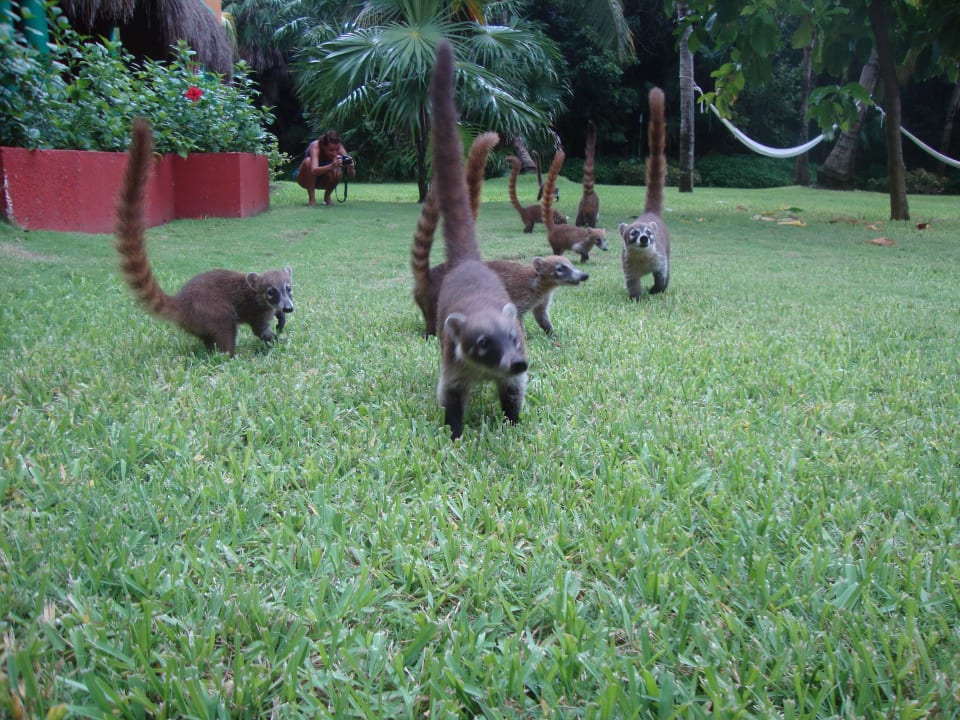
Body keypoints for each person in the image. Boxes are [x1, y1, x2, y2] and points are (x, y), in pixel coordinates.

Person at [296, 130, 357, 206]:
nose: (335, 153)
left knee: (338, 170)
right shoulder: (315, 146)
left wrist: (351, 167)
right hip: (305, 179)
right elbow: (314, 170)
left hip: (323, 180)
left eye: (337, 150)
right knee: (308, 161)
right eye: (331, 150)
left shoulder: (339, 147)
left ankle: (327, 197)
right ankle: (312, 199)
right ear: (323, 146)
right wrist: (332, 166)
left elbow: (352, 175)